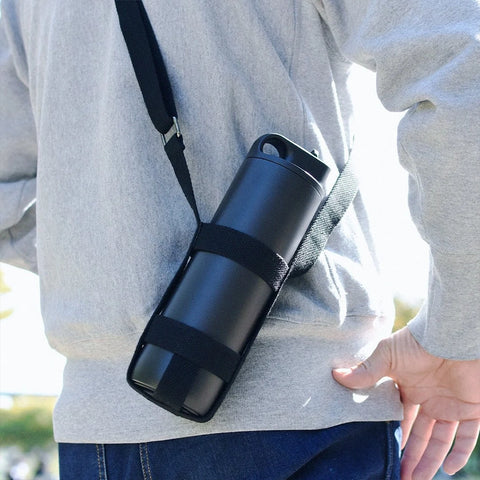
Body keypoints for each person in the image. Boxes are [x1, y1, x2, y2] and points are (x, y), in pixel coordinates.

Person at [1, 0, 479, 478]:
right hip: (303, 412)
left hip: (97, 431)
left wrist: (110, 275)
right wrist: (456, 331)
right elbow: (460, 66)